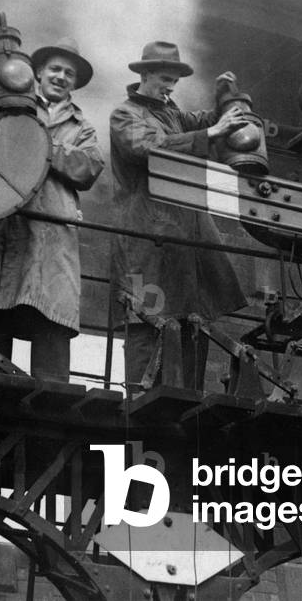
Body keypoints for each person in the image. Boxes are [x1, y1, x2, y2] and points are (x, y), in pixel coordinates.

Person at [110, 41, 250, 390]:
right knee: (146, 318)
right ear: (143, 74)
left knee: (192, 319)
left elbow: (208, 122)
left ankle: (186, 400)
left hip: (184, 241)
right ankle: (140, 401)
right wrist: (210, 133)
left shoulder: (173, 115)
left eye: (175, 80)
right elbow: (148, 148)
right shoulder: (125, 114)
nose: (171, 87)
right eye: (163, 78)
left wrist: (225, 96)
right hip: (147, 240)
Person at [0, 39, 105, 382]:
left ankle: (52, 404)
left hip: (54, 234)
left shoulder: (83, 126)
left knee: (52, 316)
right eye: (55, 70)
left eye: (69, 73)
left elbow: (88, 166)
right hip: (10, 223)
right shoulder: (12, 105)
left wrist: (37, 142)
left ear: (74, 83)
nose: (61, 77)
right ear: (38, 73)